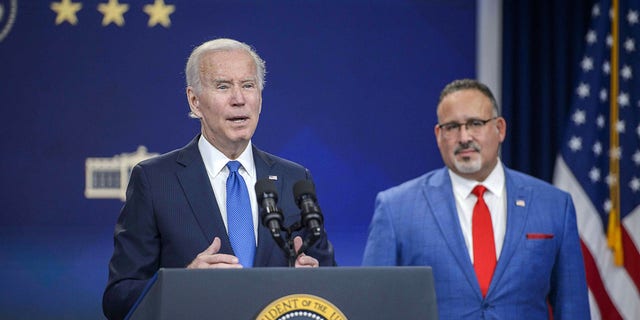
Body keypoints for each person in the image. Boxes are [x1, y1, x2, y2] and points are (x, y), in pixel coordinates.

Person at [102, 38, 336, 320]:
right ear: (194, 100)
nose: (239, 99)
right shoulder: (155, 181)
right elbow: (118, 299)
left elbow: (332, 284)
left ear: (260, 96)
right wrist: (183, 284)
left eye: (248, 85)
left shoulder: (295, 179)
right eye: (223, 86)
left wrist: (314, 280)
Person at [362, 79, 590, 319]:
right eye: (451, 127)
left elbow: (573, 308)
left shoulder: (554, 205)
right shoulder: (396, 208)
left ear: (500, 128)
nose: (464, 137)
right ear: (439, 135)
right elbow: (373, 307)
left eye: (475, 123)